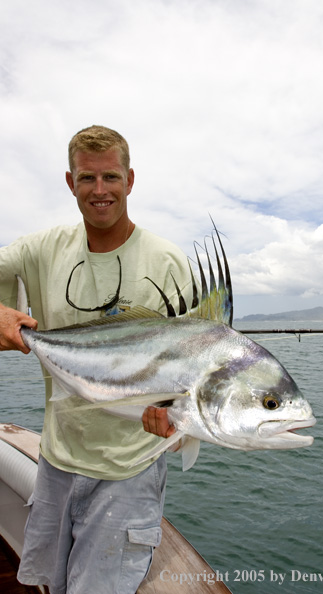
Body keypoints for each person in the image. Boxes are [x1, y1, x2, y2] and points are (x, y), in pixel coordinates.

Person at [0, 125, 193, 593]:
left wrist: (177, 423)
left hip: (129, 472)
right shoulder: (41, 250)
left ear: (130, 179)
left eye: (111, 177)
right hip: (57, 461)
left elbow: (187, 371)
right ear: (71, 182)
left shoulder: (167, 262)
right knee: (50, 586)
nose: (100, 190)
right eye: (88, 179)